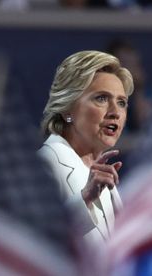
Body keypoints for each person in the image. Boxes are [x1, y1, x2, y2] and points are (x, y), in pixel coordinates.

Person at [38, 50, 134, 246]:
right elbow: (36, 243)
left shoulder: (105, 177)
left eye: (121, 102)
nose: (115, 112)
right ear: (67, 110)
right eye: (101, 98)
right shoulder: (44, 165)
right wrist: (84, 199)